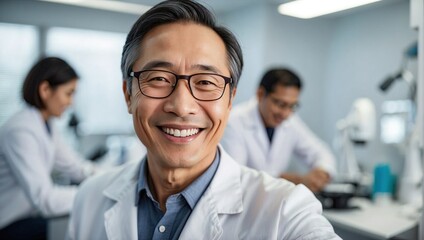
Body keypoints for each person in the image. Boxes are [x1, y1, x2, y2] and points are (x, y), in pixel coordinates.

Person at [67, 1, 340, 239]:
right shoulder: (89, 199)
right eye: (159, 78)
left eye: (206, 82)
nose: (182, 106)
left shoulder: (287, 210)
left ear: (230, 99)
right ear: (128, 95)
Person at [0, 57, 97, 239]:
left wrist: (110, 177)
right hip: (9, 224)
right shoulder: (20, 130)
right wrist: (94, 193)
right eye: (68, 93)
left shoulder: (46, 125)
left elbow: (74, 166)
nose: (71, 103)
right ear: (45, 90)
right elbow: (46, 200)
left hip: (27, 217)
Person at [221, 68, 336, 193]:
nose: (285, 113)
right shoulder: (234, 122)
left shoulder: (290, 121)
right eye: (280, 104)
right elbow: (237, 176)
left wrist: (322, 173)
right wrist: (293, 179)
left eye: (292, 106)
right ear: (260, 94)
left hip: (275, 202)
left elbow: (320, 152)